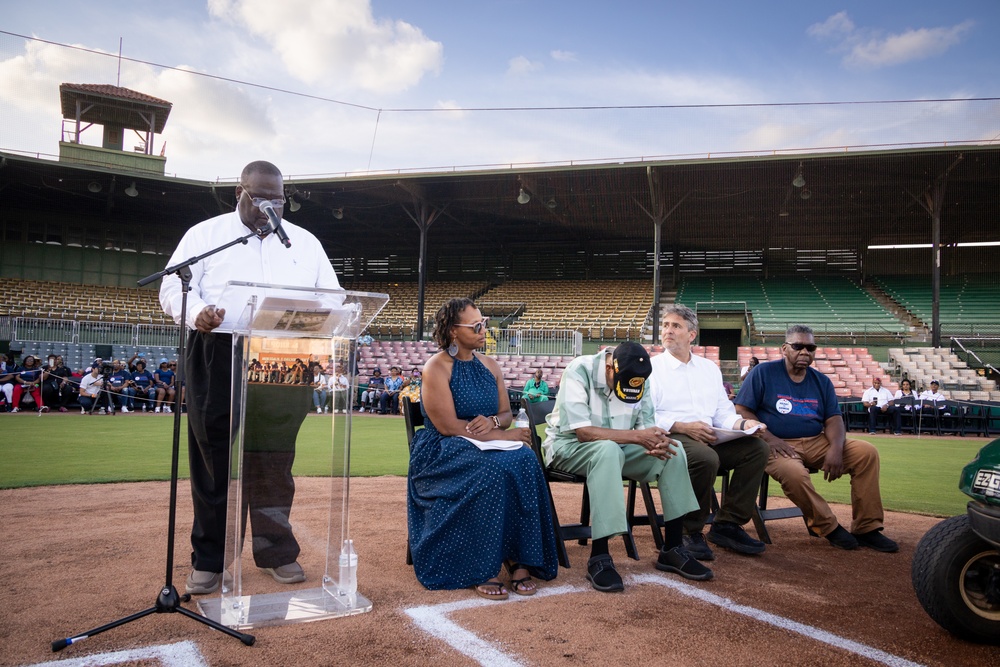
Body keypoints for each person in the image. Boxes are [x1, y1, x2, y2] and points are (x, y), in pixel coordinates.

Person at [159, 160, 342, 595]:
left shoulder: (305, 243)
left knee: (274, 460)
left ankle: (277, 551)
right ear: (238, 193)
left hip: (284, 355)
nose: (269, 206)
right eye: (260, 197)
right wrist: (195, 312)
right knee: (213, 458)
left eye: (277, 198)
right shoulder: (204, 235)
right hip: (218, 349)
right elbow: (172, 288)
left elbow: (332, 296)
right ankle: (210, 559)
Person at [408, 298, 558, 599]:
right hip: (442, 449)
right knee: (490, 469)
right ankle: (482, 566)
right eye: (476, 325)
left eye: (484, 323)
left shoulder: (490, 365)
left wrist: (493, 422)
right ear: (453, 331)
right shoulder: (436, 367)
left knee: (526, 460)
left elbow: (504, 414)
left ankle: (519, 557)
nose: (483, 330)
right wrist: (503, 436)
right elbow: (449, 426)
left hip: (484, 442)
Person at [543, 341, 710, 593]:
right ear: (610, 367)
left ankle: (673, 548)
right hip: (569, 447)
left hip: (619, 448)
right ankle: (599, 557)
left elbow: (646, 427)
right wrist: (637, 437)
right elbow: (583, 432)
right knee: (606, 450)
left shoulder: (641, 376)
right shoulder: (579, 369)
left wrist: (656, 441)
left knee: (673, 450)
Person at [734, 325, 898, 553]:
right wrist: (769, 438)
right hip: (773, 443)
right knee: (794, 473)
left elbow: (833, 419)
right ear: (784, 348)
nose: (804, 352)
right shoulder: (763, 373)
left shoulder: (821, 381)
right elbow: (742, 410)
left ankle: (867, 528)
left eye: (810, 347)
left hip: (815, 440)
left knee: (866, 453)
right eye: (797, 346)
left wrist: (836, 448)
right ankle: (828, 526)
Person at [648, 305, 770, 561]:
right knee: (706, 458)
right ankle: (688, 530)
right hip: (669, 435)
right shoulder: (652, 368)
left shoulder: (708, 369)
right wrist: (682, 426)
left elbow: (722, 413)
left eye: (676, 326)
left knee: (757, 449)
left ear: (692, 335)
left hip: (709, 435)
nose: (668, 331)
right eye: (666, 325)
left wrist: (743, 425)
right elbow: (645, 414)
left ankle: (727, 525)